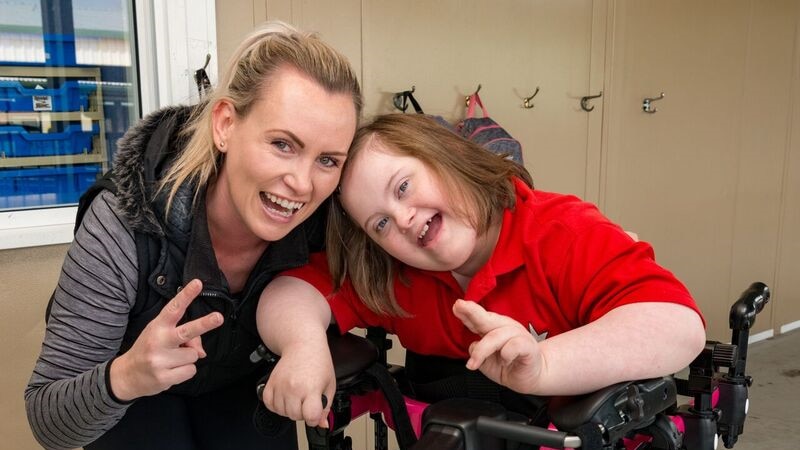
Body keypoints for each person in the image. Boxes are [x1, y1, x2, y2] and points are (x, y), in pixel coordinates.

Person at [25, 21, 361, 450]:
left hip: (237, 385)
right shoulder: (124, 222)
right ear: (224, 125)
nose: (302, 183)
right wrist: (125, 377)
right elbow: (47, 421)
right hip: (131, 393)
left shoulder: (325, 218)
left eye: (328, 160)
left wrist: (308, 340)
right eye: (282, 144)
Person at [256, 113, 707, 429]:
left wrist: (544, 363)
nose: (404, 217)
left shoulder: (560, 233)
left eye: (404, 186)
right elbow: (289, 292)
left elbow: (678, 325)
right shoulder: (394, 276)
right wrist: (302, 346)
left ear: (448, 157)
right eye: (381, 224)